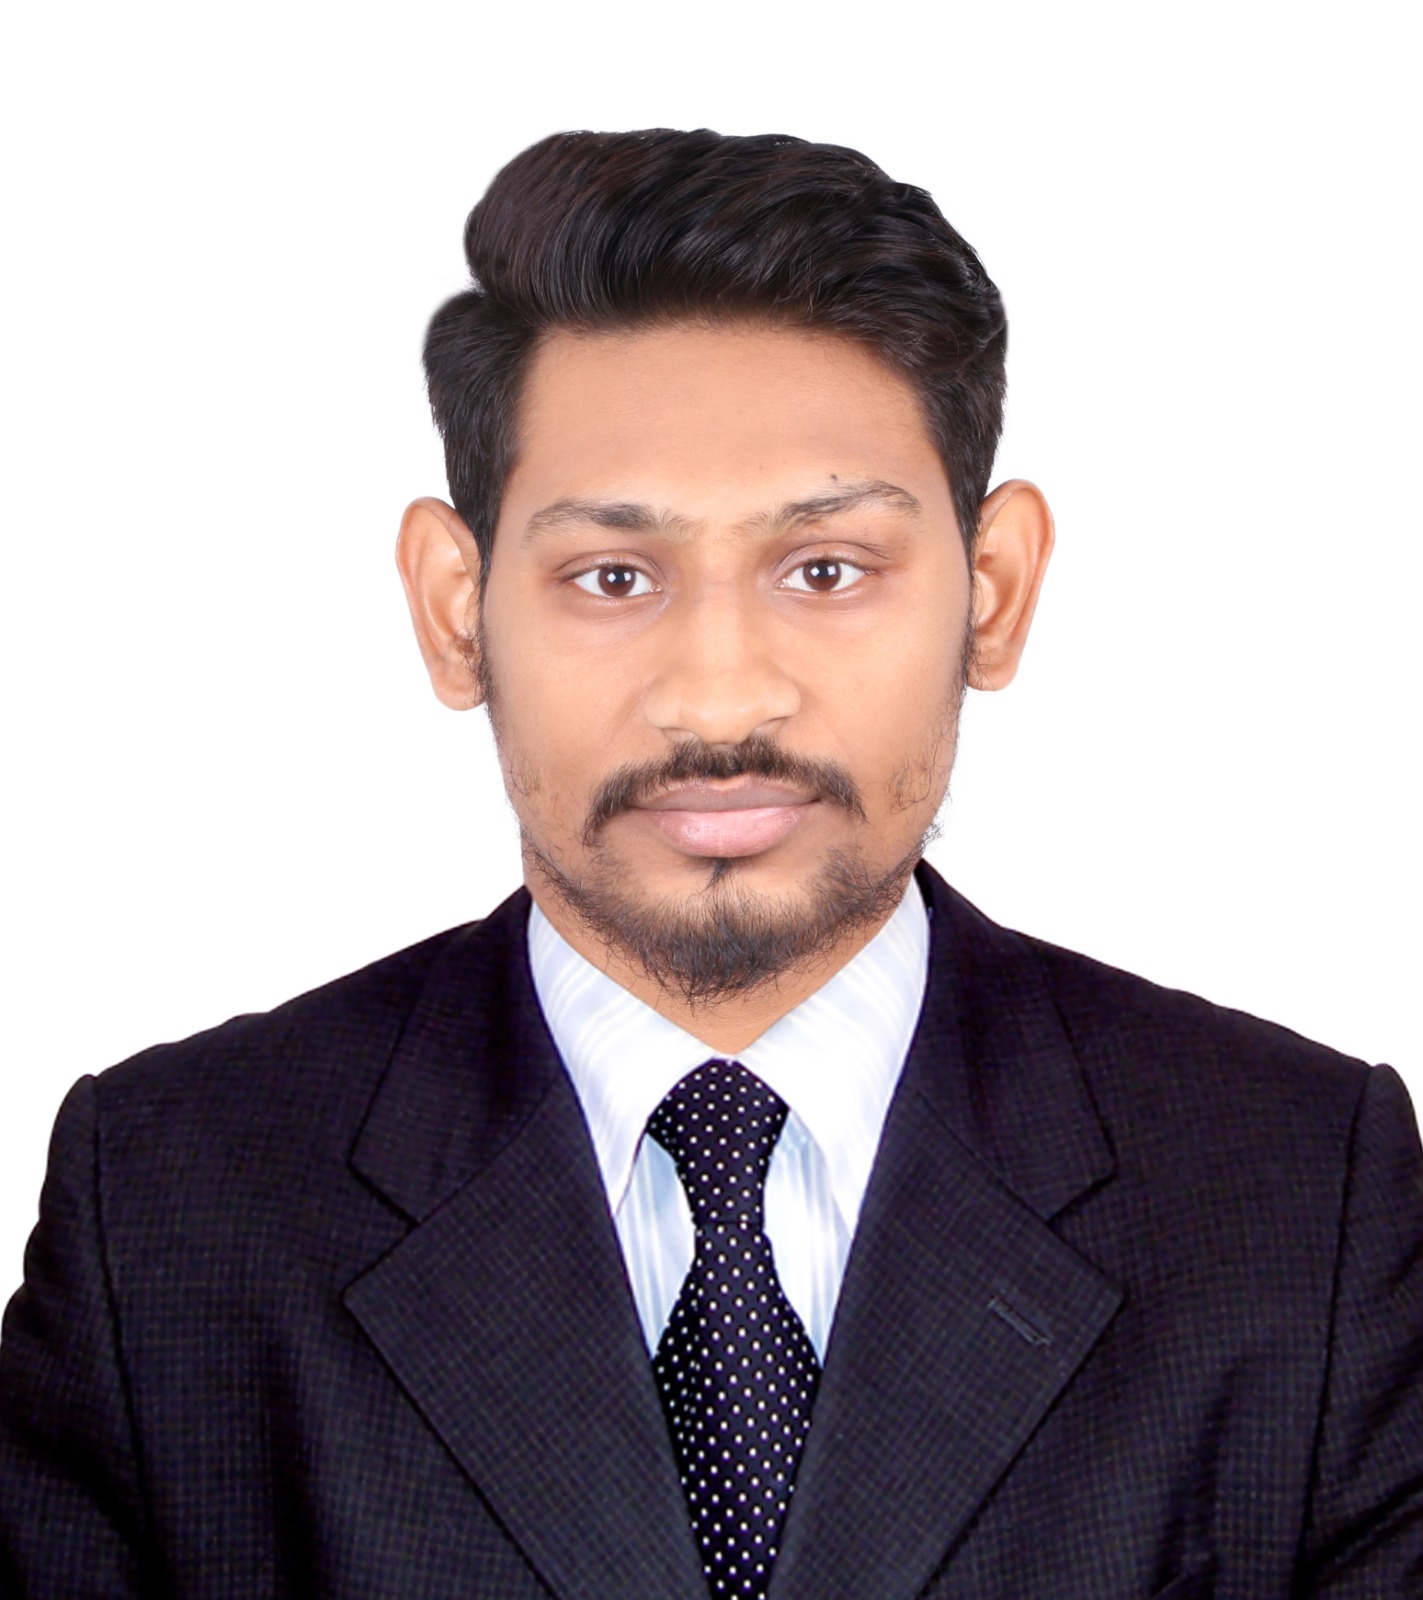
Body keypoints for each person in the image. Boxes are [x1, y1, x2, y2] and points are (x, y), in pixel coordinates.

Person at [1, 127, 1419, 1599]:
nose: (723, 697)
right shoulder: (167, 1211)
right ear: (454, 608)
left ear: (993, 592)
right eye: (614, 576)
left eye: (827, 569)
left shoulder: (1300, 1197)